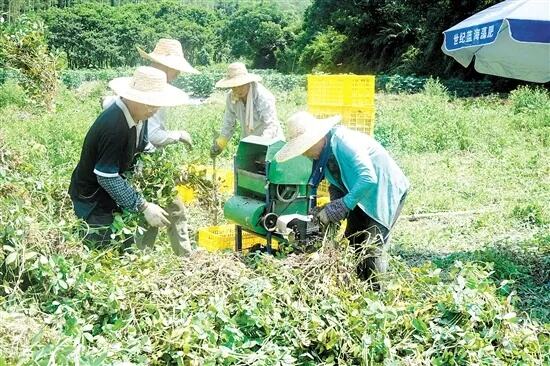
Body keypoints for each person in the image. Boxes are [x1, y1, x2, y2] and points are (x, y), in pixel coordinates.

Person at [275, 111, 410, 286]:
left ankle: (377, 295)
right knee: (353, 237)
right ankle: (361, 287)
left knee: (371, 246)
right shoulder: (323, 154)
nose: (305, 154)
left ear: (317, 138)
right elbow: (337, 182)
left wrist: (342, 206)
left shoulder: (345, 142)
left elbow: (368, 178)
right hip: (361, 192)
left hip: (384, 190)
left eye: (306, 148)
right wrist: (333, 205)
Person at [69, 66, 189, 250]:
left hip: (113, 189)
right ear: (132, 97)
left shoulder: (141, 115)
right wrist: (143, 206)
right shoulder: (114, 125)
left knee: (169, 211)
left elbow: (143, 144)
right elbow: (106, 177)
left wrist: (158, 167)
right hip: (93, 198)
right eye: (150, 104)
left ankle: (163, 257)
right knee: (107, 246)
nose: (154, 110)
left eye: (157, 104)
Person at [102, 38, 198, 256]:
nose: (178, 75)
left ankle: (148, 259)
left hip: (141, 161)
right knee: (166, 211)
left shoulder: (148, 84)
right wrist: (178, 136)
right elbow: (153, 136)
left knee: (164, 211)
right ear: (166, 67)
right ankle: (165, 260)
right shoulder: (149, 91)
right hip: (143, 163)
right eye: (176, 70)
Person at [210, 62, 283, 158]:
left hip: (271, 143)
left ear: (248, 82)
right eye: (234, 86)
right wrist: (220, 144)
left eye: (241, 85)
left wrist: (260, 145)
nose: (237, 90)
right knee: (244, 170)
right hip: (249, 142)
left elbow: (271, 125)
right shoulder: (231, 97)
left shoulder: (262, 96)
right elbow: (229, 123)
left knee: (268, 170)